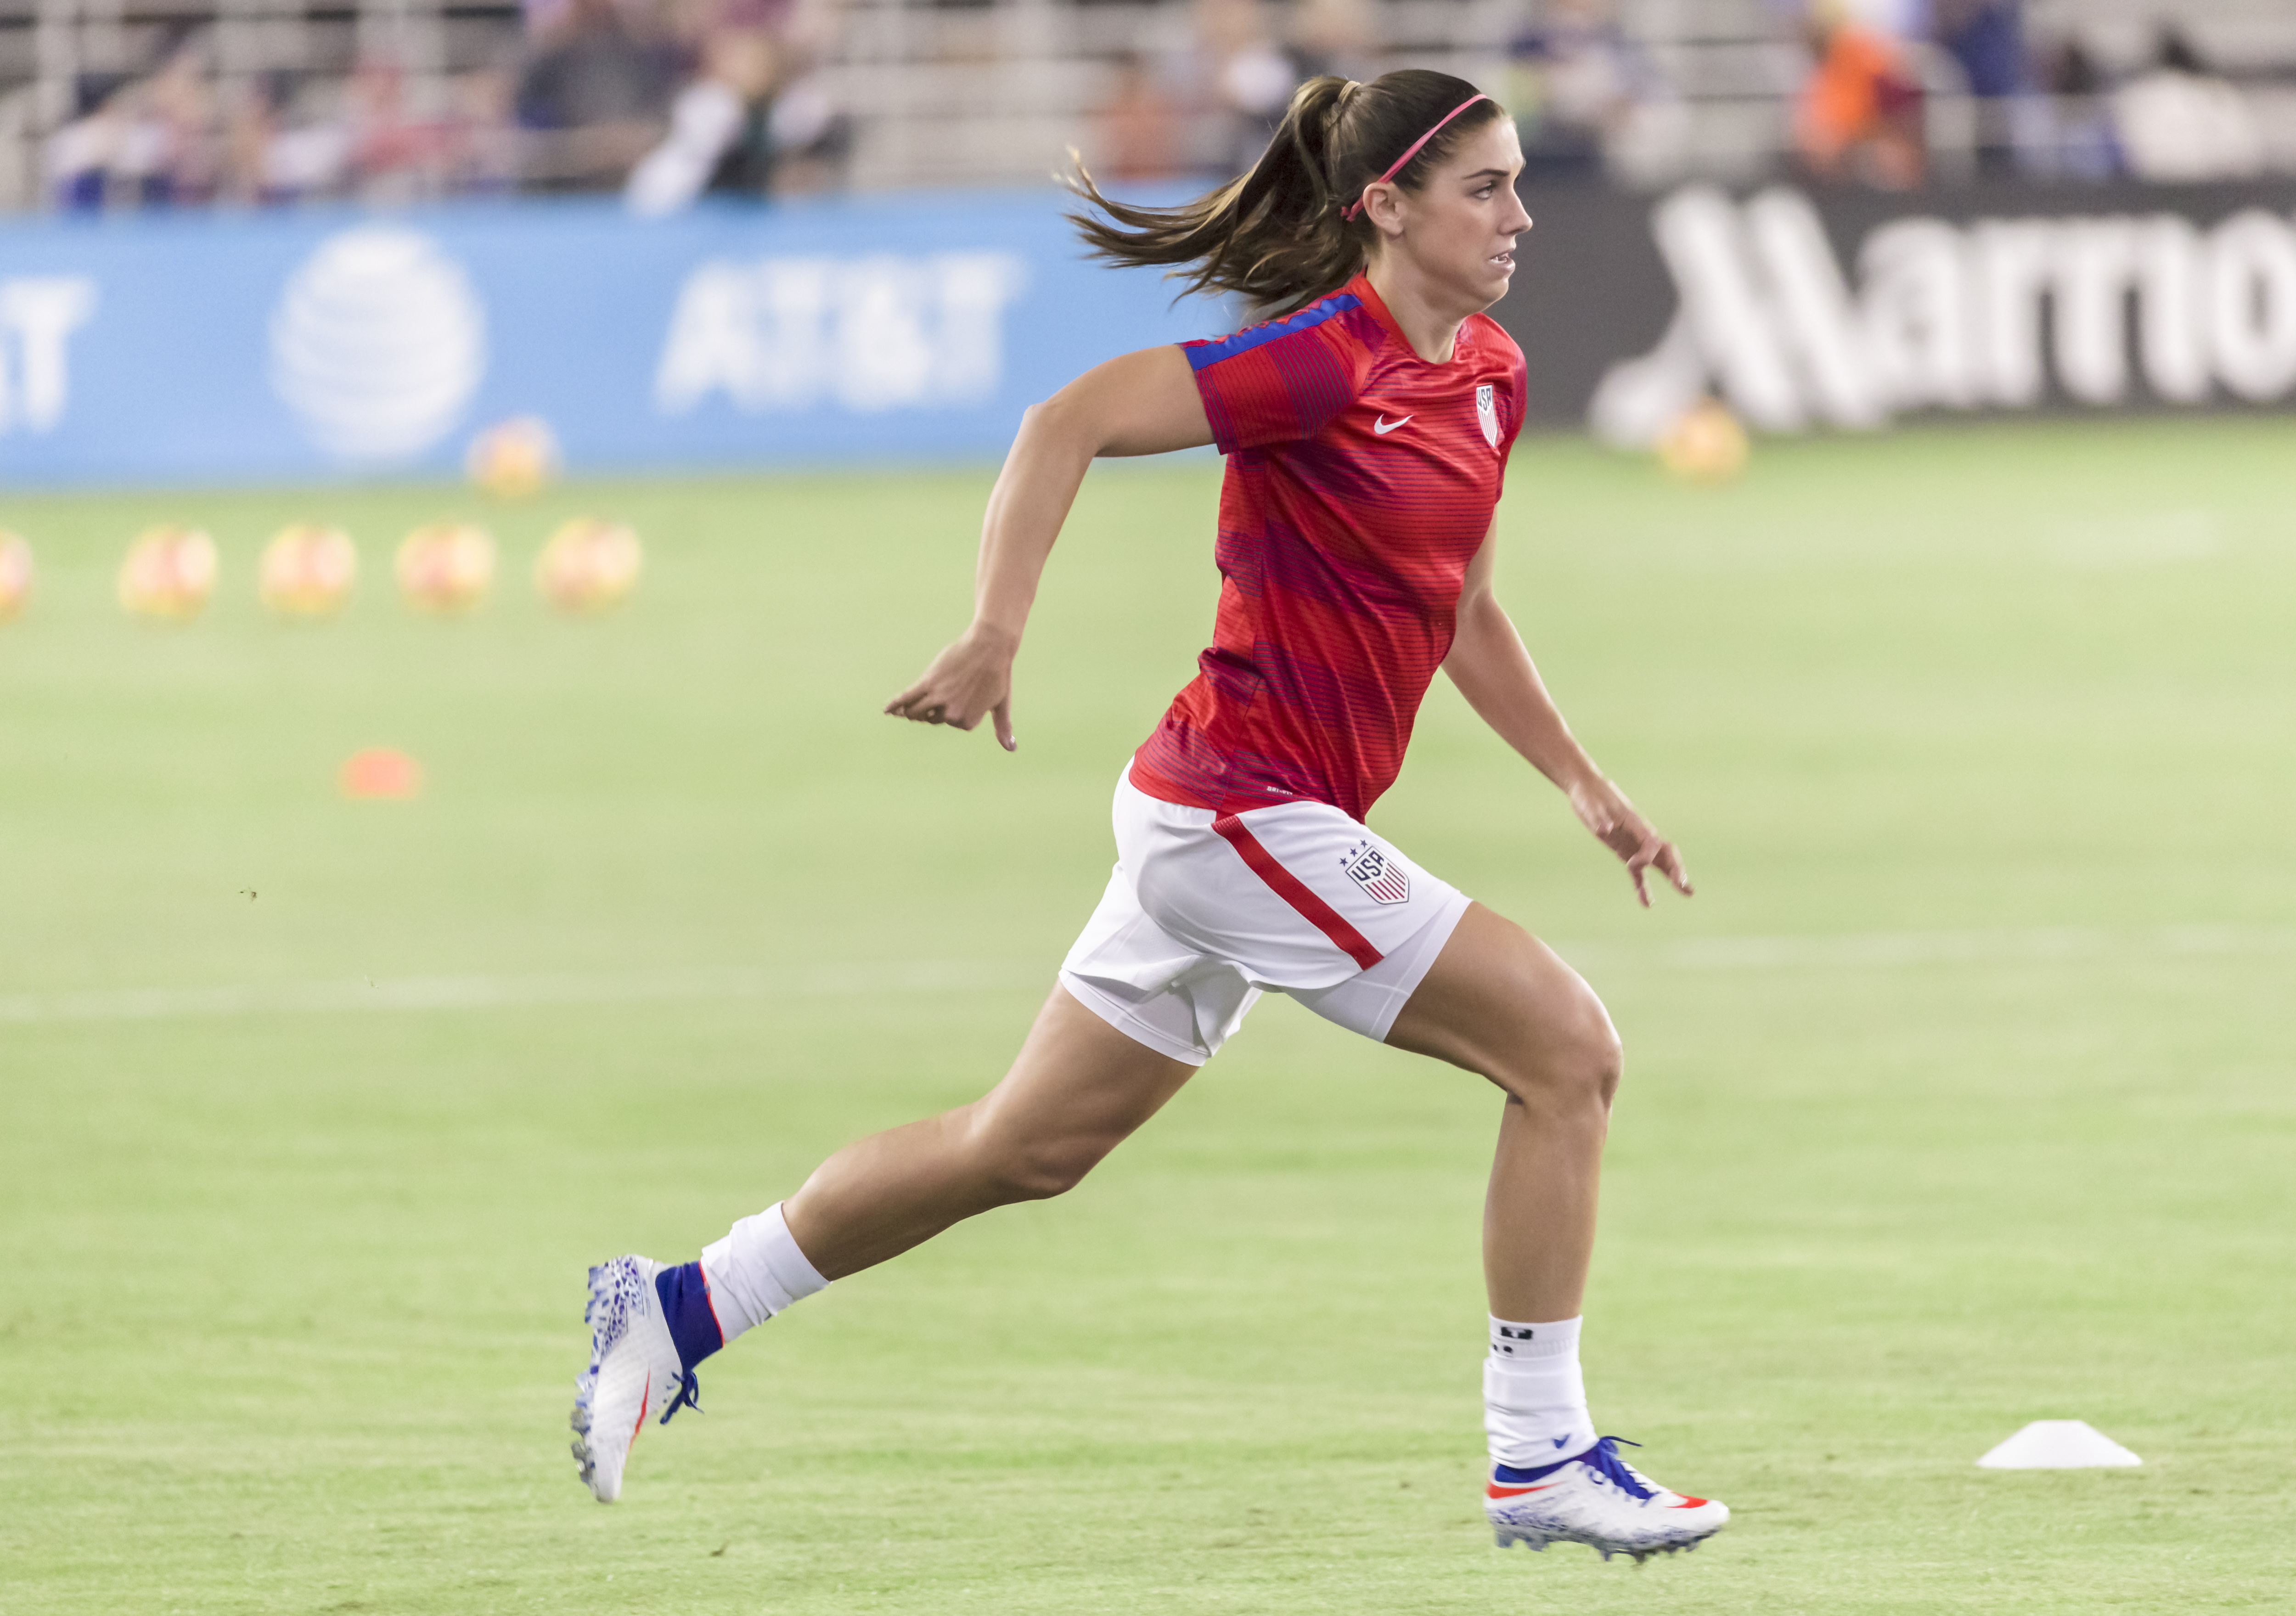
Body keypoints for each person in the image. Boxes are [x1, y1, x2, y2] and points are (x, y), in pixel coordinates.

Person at [569, 67, 1729, 1563]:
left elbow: (1466, 610)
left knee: (1021, 1149)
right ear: (1385, 208)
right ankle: (1540, 1459)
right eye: (1484, 189)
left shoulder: (1489, 372)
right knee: (1568, 1055)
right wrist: (995, 630)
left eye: (1517, 184)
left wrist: (1586, 784)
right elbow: (1064, 421)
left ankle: (676, 1308)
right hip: (1241, 816)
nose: (1519, 215)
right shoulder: (1321, 361)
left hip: (1230, 825)